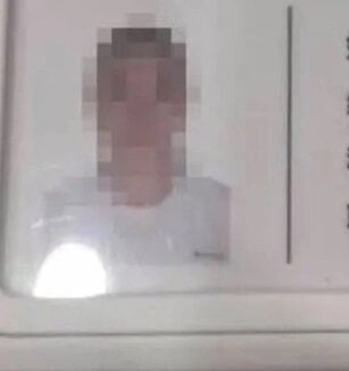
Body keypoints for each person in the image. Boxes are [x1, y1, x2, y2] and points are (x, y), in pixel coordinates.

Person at [40, 26, 230, 278]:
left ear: (180, 108)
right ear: (100, 109)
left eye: (160, 92)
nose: (141, 110)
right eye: (121, 93)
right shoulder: (58, 216)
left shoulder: (220, 213)